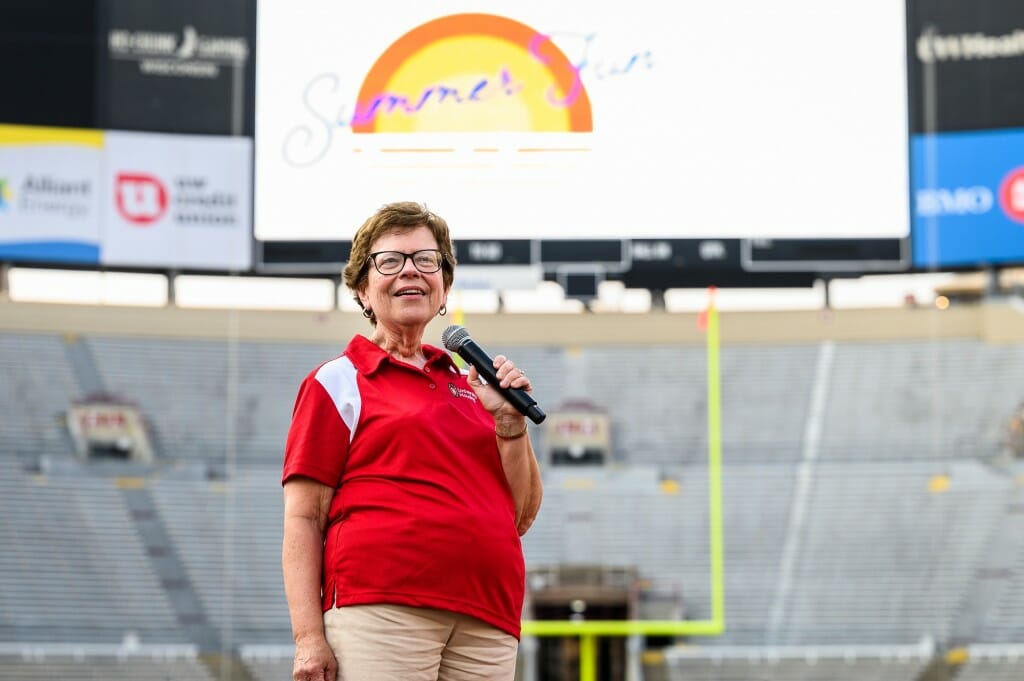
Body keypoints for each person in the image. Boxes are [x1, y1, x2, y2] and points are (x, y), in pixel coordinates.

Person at [281, 201, 543, 681]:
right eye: (391, 261)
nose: (412, 272)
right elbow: (304, 517)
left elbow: (520, 514)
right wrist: (308, 639)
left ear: (443, 285)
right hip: (380, 611)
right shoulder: (338, 381)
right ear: (362, 288)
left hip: (488, 617)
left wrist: (510, 425)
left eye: (427, 260)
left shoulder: (476, 386)